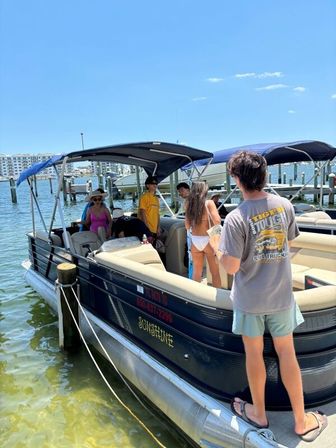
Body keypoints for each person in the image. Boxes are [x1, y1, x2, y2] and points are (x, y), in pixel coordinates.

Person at [218, 151, 328, 441]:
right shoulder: (285, 206)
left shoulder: (235, 218)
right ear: (264, 176)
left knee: (253, 354)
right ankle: (302, 421)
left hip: (250, 300)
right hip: (281, 296)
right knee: (287, 354)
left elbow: (230, 266)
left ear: (238, 179)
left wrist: (220, 250)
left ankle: (259, 413)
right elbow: (288, 242)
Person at [185, 181, 221, 288]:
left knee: (197, 271)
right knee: (214, 272)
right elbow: (217, 221)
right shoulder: (209, 203)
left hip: (195, 240)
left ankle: (196, 297)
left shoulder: (188, 205)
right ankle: (217, 296)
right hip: (208, 240)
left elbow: (187, 226)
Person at [176, 182, 193, 278]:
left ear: (188, 189)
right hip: (197, 233)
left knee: (190, 257)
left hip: (193, 234)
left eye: (181, 190)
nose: (180, 193)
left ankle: (192, 278)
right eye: (179, 192)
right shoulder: (196, 200)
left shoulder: (189, 202)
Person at [138, 175, 160, 240]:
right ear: (147, 185)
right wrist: (146, 228)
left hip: (155, 229)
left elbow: (157, 214)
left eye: (156, 183)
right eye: (153, 183)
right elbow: (143, 213)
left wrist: (158, 227)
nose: (155, 185)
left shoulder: (156, 199)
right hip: (146, 229)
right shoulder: (144, 197)